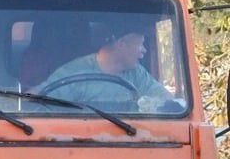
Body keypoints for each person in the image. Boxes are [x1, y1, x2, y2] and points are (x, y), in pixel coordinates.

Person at [36, 17, 175, 108]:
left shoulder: (137, 73)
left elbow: (167, 99)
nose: (144, 51)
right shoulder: (73, 73)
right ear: (121, 44)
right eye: (141, 45)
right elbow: (36, 104)